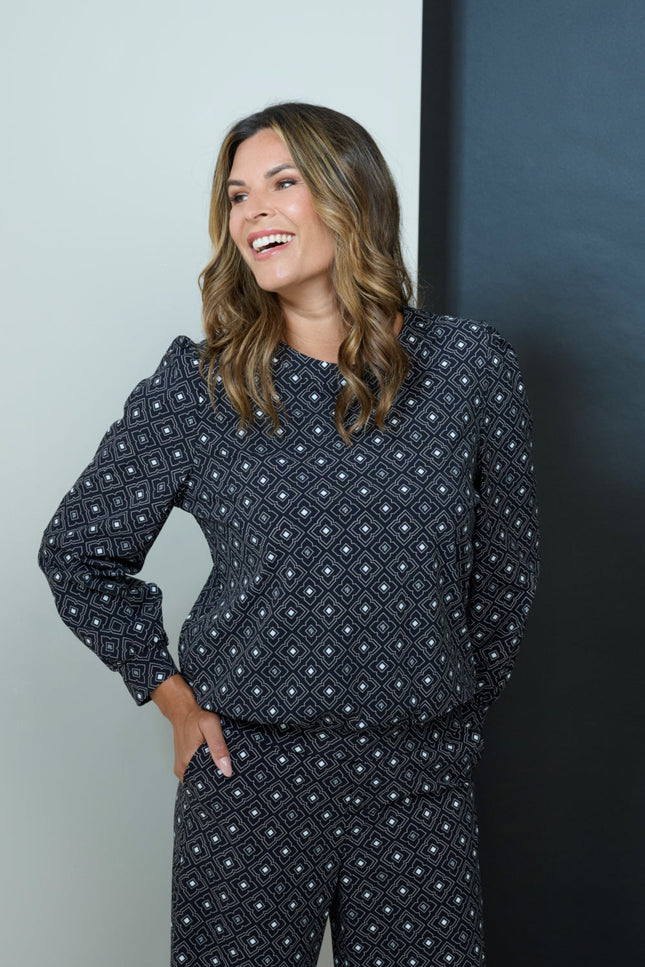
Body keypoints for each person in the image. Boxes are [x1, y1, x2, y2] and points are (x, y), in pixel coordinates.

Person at [39, 102, 540, 967]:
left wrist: (448, 712)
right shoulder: (200, 385)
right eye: (237, 196)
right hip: (249, 777)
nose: (253, 212)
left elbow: (506, 568)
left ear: (352, 194)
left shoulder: (468, 366)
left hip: (418, 779)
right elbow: (78, 552)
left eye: (282, 183)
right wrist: (171, 696)